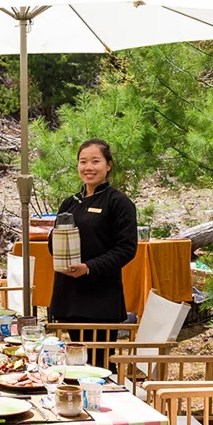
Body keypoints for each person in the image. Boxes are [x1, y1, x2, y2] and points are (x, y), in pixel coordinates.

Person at [48, 139, 138, 327]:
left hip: (101, 299)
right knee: (73, 355)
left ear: (109, 166)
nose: (88, 167)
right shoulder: (69, 203)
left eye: (95, 161)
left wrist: (89, 267)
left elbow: (126, 249)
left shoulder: (119, 203)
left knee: (100, 357)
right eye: (83, 161)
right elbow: (53, 244)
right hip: (68, 296)